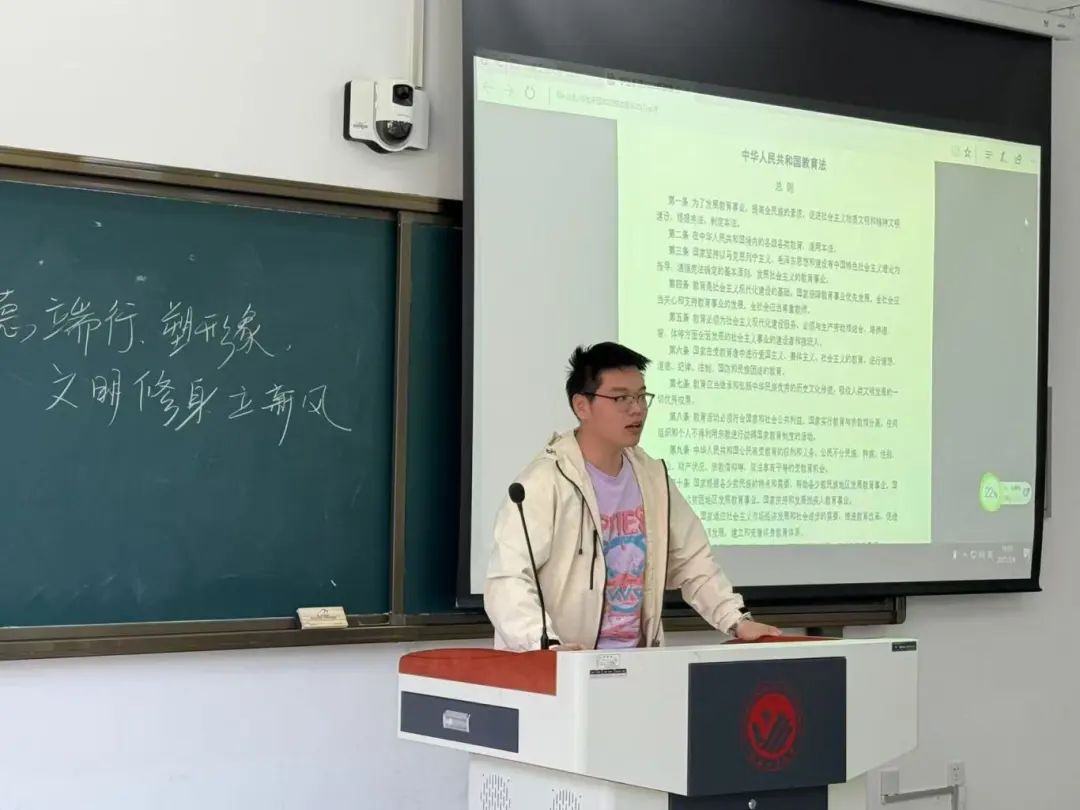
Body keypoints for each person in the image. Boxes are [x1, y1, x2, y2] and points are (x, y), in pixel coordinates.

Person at [484, 341, 780, 651]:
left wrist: (736, 620)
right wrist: (544, 646)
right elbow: (508, 579)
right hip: (565, 664)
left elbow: (694, 562)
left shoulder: (652, 477)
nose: (637, 409)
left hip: (639, 663)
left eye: (641, 396)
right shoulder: (546, 481)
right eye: (621, 398)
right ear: (582, 406)